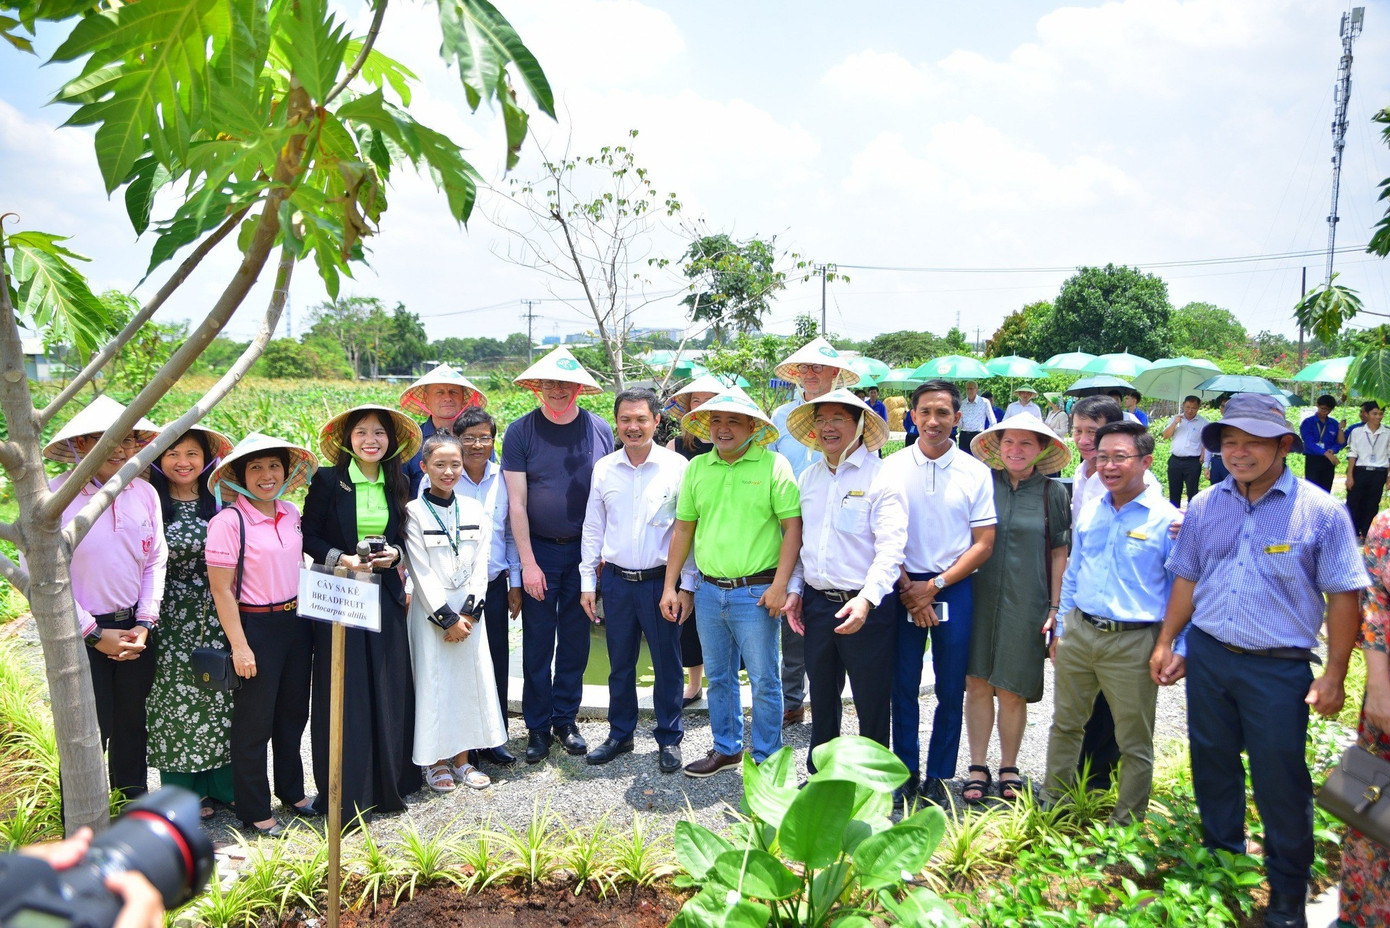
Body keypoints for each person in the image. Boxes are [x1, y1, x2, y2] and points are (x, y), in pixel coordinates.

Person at [1150, 393, 1369, 928]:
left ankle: (1288, 898)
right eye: (1230, 442)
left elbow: (1344, 595)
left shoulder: (1320, 511)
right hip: (1209, 656)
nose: (1239, 452)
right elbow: (1188, 576)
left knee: (1280, 779)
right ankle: (1222, 868)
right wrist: (1168, 641)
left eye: (1253, 442)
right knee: (1212, 764)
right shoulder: (1206, 504)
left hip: (1278, 666)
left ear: (1284, 446)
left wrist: (1335, 674)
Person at [661, 387, 802, 776]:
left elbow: (793, 528)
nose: (723, 429)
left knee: (764, 680)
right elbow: (683, 530)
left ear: (753, 427)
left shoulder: (773, 465)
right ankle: (727, 748)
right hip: (708, 591)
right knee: (719, 678)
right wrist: (672, 586)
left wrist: (781, 585)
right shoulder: (697, 468)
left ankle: (767, 757)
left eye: (734, 422)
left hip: (756, 592)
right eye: (717, 421)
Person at [1044, 420, 1179, 824]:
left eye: (1120, 457)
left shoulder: (1167, 520)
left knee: (1133, 739)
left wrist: (1173, 645)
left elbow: (1183, 589)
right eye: (1102, 457)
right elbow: (1073, 571)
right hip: (1080, 632)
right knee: (1065, 725)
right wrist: (1062, 627)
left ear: (1146, 462)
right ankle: (1053, 809)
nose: (1108, 466)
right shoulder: (1091, 511)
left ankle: (1125, 828)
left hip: (1134, 641)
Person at [38, 396, 166, 799]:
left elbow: (154, 560)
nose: (120, 449)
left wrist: (144, 623)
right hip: (77, 635)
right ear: (80, 444)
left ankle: (132, 808)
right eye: (107, 439)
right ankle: (81, 821)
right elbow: (45, 577)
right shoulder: (54, 499)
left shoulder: (144, 493)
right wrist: (93, 634)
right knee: (88, 733)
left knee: (132, 725)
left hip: (135, 631)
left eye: (128, 439)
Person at [302, 404, 424, 824]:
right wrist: (343, 559)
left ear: (392, 440)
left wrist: (396, 555)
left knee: (388, 684)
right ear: (347, 439)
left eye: (379, 433)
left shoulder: (398, 479)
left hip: (385, 593)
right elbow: (309, 535)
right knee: (344, 688)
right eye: (361, 432)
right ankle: (346, 788)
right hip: (339, 594)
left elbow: (403, 536)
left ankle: (391, 782)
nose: (370, 440)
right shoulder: (327, 480)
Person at [880, 380, 997, 806]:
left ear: (957, 418)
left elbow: (984, 543)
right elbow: (878, 532)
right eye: (925, 412)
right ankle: (905, 772)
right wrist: (908, 587)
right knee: (903, 684)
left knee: (950, 687)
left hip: (953, 585)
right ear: (912, 416)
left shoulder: (975, 471)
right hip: (900, 584)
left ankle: (940, 775)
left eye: (943, 413)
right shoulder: (891, 467)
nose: (933, 421)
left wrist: (933, 588)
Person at [782, 390, 906, 773]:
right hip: (818, 605)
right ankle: (823, 778)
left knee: (871, 700)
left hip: (867, 606)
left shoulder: (882, 476)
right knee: (822, 697)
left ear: (860, 425)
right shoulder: (808, 478)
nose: (828, 427)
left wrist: (866, 600)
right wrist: (795, 591)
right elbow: (803, 544)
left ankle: (873, 782)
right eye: (821, 419)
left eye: (838, 419)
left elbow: (891, 549)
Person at [502, 347, 615, 763]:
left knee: (575, 640)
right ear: (538, 386)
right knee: (536, 642)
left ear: (579, 387)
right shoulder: (521, 432)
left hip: (585, 553)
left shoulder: (599, 429)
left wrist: (601, 554)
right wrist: (528, 564)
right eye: (549, 383)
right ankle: (537, 726)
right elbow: (517, 503)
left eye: (565, 383)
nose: (557, 390)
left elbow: (608, 496)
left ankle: (565, 720)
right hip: (540, 551)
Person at [205, 432, 319, 836]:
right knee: (254, 722)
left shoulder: (290, 511)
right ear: (240, 476)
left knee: (293, 714)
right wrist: (240, 646)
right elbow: (221, 590)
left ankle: (293, 792)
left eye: (274, 466)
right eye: (256, 467)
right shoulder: (228, 522)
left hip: (296, 623)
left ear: (286, 473)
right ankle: (254, 809)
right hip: (255, 626)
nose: (266, 475)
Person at [580, 389, 696, 773]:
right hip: (616, 582)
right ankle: (620, 733)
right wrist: (587, 582)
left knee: (667, 663)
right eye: (626, 419)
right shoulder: (604, 468)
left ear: (656, 421)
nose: (633, 426)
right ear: (617, 422)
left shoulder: (677, 467)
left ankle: (669, 736)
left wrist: (686, 585)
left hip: (661, 582)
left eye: (641, 419)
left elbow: (688, 530)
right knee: (620, 663)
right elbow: (593, 527)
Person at [961, 414, 1071, 802]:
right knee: (976, 683)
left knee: (1012, 689)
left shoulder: (1052, 493)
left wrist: (1056, 607)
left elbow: (1059, 553)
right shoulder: (981, 484)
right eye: (1009, 442)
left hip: (1028, 601)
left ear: (1041, 449)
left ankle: (1009, 766)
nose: (1016, 450)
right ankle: (977, 765)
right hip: (978, 596)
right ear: (998, 446)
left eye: (1026, 443)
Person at [403, 432, 506, 792]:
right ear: (424, 467)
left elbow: (481, 565)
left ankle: (463, 760)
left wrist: (469, 615)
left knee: (467, 684)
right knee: (432, 684)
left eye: (455, 464)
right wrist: (447, 619)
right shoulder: (413, 513)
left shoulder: (474, 509)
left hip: (469, 613)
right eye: (440, 464)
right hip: (431, 613)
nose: (448, 471)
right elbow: (419, 569)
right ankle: (434, 762)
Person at [145, 425, 237, 818]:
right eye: (173, 454)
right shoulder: (150, 501)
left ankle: (224, 785)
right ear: (158, 460)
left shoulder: (223, 500)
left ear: (206, 459)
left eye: (192, 454)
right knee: (173, 701)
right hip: (168, 619)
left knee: (220, 695)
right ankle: (184, 792)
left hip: (220, 613)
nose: (183, 462)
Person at [770, 337, 858, 728]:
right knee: (792, 610)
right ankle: (793, 699)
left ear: (835, 372)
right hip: (790, 523)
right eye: (804, 367)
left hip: (838, 525)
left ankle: (842, 698)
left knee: (834, 606)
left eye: (818, 367)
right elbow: (772, 467)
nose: (810, 373)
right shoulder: (781, 416)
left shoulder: (852, 411)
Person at [447, 406, 522, 767]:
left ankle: (496, 737)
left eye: (484, 438)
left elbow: (510, 534)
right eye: (469, 438)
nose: (477, 445)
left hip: (493, 585)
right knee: (461, 663)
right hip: (455, 591)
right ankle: (465, 743)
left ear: (494, 440)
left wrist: (515, 583)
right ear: (457, 440)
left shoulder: (504, 477)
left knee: (496, 661)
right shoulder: (443, 477)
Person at [1340, 509, 1390, 925]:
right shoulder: (1386, 525)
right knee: (1377, 812)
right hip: (1388, 696)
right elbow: (1375, 607)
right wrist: (1378, 688)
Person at [665, 375, 726, 708]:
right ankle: (692, 682)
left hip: (721, 537)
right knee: (684, 615)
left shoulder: (731, 443)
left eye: (709, 400)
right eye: (696, 401)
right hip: (685, 536)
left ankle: (720, 683)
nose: (702, 406)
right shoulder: (676, 447)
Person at [399, 365, 487, 497]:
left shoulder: (479, 440)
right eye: (439, 392)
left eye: (453, 392)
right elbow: (400, 491)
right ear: (426, 398)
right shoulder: (411, 441)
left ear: (463, 397)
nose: (447, 398)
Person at [1345, 400, 1387, 541]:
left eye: (1380, 414)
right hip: (1360, 471)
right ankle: (1352, 533)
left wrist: (1389, 477)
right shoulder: (1357, 432)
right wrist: (1350, 475)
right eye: (1374, 413)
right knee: (1354, 501)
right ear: (1366, 414)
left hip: (1379, 472)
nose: (1378, 417)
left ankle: (1367, 533)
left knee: (1372, 504)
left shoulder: (1387, 432)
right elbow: (1352, 454)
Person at [1161, 395, 1208, 508]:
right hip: (1175, 460)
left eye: (1193, 408)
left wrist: (1203, 456)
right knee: (1174, 491)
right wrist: (1174, 423)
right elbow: (1165, 436)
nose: (1190, 410)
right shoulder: (1175, 419)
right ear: (1183, 406)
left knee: (1192, 492)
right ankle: (1174, 515)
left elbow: (1206, 442)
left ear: (1198, 408)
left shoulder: (1203, 423)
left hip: (1193, 462)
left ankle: (1192, 515)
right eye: (1187, 407)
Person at [1299, 394, 1345, 494]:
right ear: (1317, 405)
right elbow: (1309, 443)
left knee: (1326, 491)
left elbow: (1339, 442)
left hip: (1328, 461)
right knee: (1311, 490)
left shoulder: (1334, 423)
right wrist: (1325, 453)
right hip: (1313, 459)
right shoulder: (1308, 422)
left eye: (1328, 410)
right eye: (1323, 408)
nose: (1325, 412)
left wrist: (1333, 450)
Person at [958, 381, 998, 452]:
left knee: (977, 456)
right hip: (964, 435)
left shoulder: (984, 402)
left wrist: (988, 435)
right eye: (967, 389)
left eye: (971, 389)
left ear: (976, 389)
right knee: (963, 456)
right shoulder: (962, 403)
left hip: (977, 435)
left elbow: (992, 420)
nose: (969, 391)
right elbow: (959, 421)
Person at [1205, 397, 1231, 485]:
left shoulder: (1238, 427)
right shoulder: (1215, 426)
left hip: (1230, 461)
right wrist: (1206, 466)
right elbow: (1209, 447)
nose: (1224, 409)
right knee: (1215, 489)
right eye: (1222, 406)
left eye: (1227, 407)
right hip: (1216, 461)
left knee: (1231, 488)